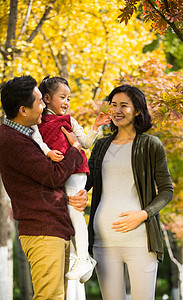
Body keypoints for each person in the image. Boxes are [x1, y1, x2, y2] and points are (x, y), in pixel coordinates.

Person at [0, 75, 88, 300]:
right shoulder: (12, 141)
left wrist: (78, 194)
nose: (44, 107)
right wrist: (75, 149)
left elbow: (49, 182)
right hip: (42, 231)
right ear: (23, 110)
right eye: (40, 102)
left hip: (54, 227)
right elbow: (52, 175)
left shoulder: (28, 135)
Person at [85, 84, 174, 300]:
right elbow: (85, 182)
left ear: (137, 110)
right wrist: (78, 193)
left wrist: (142, 214)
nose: (117, 110)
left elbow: (166, 190)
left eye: (124, 105)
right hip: (103, 241)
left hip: (140, 241)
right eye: (113, 105)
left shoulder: (151, 144)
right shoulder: (101, 146)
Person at [32, 76, 111, 282]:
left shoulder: (70, 120)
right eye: (62, 97)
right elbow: (38, 142)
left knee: (75, 212)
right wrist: (48, 152)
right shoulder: (37, 122)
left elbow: (84, 143)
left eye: (69, 98)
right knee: (64, 213)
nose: (66, 102)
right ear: (47, 98)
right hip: (57, 170)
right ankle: (80, 258)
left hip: (76, 169)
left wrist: (96, 126)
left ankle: (83, 257)